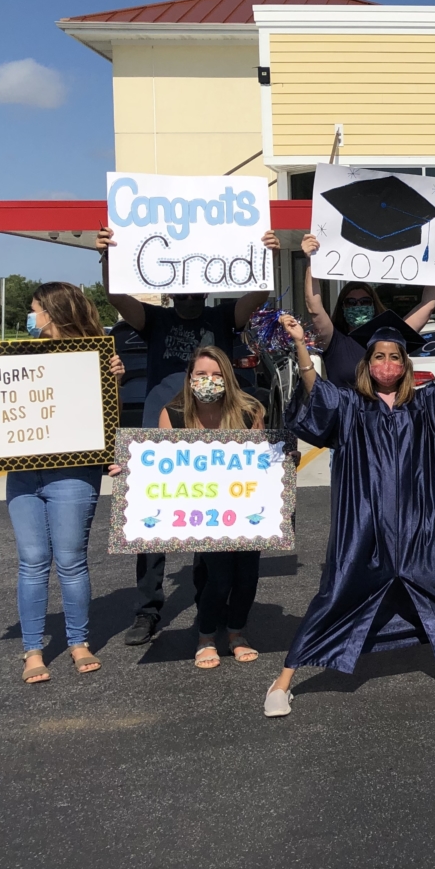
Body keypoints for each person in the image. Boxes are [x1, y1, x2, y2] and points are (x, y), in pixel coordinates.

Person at [264, 312, 435, 717]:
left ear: (405, 365)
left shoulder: (423, 404)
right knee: (338, 591)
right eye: (378, 357)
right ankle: (284, 679)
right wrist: (302, 344)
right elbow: (314, 390)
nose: (386, 364)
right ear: (367, 364)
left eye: (394, 357)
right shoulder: (352, 405)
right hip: (366, 523)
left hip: (420, 521)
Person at [96, 223, 280, 647]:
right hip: (160, 429)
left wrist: (266, 254)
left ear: (208, 290)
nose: (191, 295)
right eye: (183, 288)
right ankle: (148, 609)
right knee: (151, 528)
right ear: (170, 288)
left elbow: (257, 297)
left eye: (198, 289)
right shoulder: (154, 319)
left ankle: (207, 614)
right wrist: (108, 257)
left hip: (213, 430)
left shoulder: (222, 317)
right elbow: (116, 296)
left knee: (209, 524)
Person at [7, 282, 126, 683]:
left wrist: (113, 383)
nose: (31, 317)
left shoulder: (97, 357)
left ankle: (78, 641)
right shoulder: (15, 358)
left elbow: (108, 419)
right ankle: (33, 651)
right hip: (23, 472)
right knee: (32, 562)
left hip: (74, 474)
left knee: (71, 561)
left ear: (53, 313)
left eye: (34, 309)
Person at [161, 346, 267, 669]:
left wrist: (284, 461)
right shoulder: (174, 415)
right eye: (202, 375)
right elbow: (161, 465)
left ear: (229, 378)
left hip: (244, 510)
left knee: (247, 576)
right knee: (219, 577)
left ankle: (236, 631)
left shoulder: (250, 411)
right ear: (189, 379)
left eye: (217, 375)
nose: (210, 381)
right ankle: (206, 635)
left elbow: (262, 461)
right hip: (202, 513)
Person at [299, 231, 435, 385]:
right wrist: (312, 261)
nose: (358, 306)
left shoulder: (389, 336)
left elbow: (428, 305)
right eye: (351, 302)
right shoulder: (334, 340)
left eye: (364, 301)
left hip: (385, 408)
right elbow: (314, 308)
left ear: (373, 303)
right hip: (344, 409)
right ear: (342, 307)